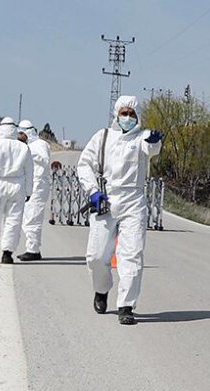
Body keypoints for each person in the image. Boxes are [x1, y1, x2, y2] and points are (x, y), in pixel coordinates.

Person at [76, 95, 164, 325]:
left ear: (138, 116)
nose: (127, 117)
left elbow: (152, 149)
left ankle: (126, 305)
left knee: (131, 254)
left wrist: (154, 141)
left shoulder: (143, 138)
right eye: (123, 113)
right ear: (116, 114)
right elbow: (84, 164)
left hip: (134, 200)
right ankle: (101, 289)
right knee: (96, 255)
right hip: (106, 199)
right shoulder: (103, 136)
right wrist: (93, 191)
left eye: (131, 113)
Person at [0, 117, 34, 264]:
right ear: (14, 129)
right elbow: (29, 171)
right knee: (13, 220)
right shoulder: (23, 147)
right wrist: (29, 191)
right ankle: (7, 253)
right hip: (17, 186)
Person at [17, 119, 51, 261]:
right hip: (31, 186)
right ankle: (31, 248)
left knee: (32, 218)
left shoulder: (40, 145)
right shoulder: (29, 146)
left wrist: (28, 153)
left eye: (20, 134)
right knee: (27, 218)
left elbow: (44, 159)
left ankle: (33, 250)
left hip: (39, 185)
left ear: (26, 133)